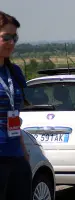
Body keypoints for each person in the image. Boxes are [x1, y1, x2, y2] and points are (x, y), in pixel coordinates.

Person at [0, 11, 32, 200]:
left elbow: (14, 116)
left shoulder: (14, 72)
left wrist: (24, 152)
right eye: (6, 37)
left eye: (15, 38)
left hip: (16, 156)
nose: (12, 43)